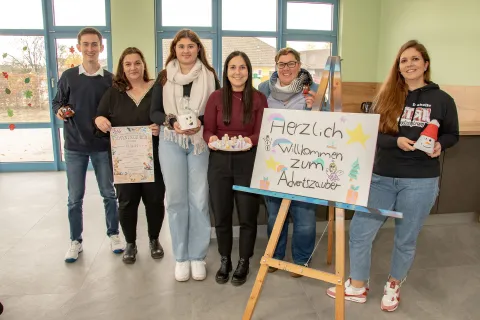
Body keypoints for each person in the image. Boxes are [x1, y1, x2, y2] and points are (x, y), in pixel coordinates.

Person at [327, 40, 459, 312]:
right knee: (361, 231)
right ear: (397, 67)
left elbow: (451, 134)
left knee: (406, 238)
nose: (409, 64)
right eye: (403, 60)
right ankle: (358, 285)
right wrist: (396, 141)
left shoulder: (443, 100)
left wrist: (439, 145)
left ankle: (394, 284)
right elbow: (372, 133)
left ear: (426, 64)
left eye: (414, 59)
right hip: (382, 177)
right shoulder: (385, 96)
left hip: (420, 181)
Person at [150, 29, 220, 282]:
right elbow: (154, 112)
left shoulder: (210, 76)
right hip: (171, 141)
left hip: (199, 143)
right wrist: (171, 122)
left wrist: (201, 123)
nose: (187, 51)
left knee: (199, 200)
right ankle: (181, 257)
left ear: (198, 49)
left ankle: (197, 256)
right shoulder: (164, 76)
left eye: (191, 46)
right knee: (177, 200)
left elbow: (217, 109)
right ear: (175, 49)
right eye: (182, 46)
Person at [52, 27, 124, 263]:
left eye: (95, 44)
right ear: (79, 47)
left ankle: (114, 234)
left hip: (102, 146)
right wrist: (62, 111)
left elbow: (117, 112)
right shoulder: (69, 76)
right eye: (86, 44)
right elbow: (57, 104)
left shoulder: (110, 80)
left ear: (101, 47)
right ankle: (76, 241)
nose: (90, 49)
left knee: (108, 194)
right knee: (75, 198)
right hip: (74, 147)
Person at [258, 47, 326, 276]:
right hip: (274, 161)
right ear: (276, 66)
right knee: (275, 214)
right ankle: (276, 257)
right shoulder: (264, 89)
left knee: (304, 216)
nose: (286, 68)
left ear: (299, 65)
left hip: (304, 161)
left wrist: (317, 107)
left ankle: (300, 260)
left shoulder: (314, 89)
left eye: (291, 63)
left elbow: (327, 125)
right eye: (282, 64)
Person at [95, 47, 165, 264]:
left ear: (144, 64)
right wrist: (99, 120)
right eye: (128, 64)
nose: (133, 67)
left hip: (154, 158)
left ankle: (154, 240)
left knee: (154, 200)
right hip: (124, 162)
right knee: (126, 202)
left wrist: (161, 127)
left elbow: (167, 116)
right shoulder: (113, 93)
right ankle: (131, 243)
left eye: (137, 62)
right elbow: (99, 119)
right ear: (122, 68)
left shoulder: (157, 89)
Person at [203, 51, 267, 286]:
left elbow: (262, 131)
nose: (237, 72)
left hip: (248, 161)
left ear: (248, 71)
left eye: (242, 67)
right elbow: (207, 129)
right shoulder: (216, 98)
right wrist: (211, 140)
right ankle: (224, 259)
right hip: (219, 161)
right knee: (221, 214)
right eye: (232, 67)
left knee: (248, 215)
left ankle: (244, 261)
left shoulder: (259, 98)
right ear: (226, 71)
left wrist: (250, 140)